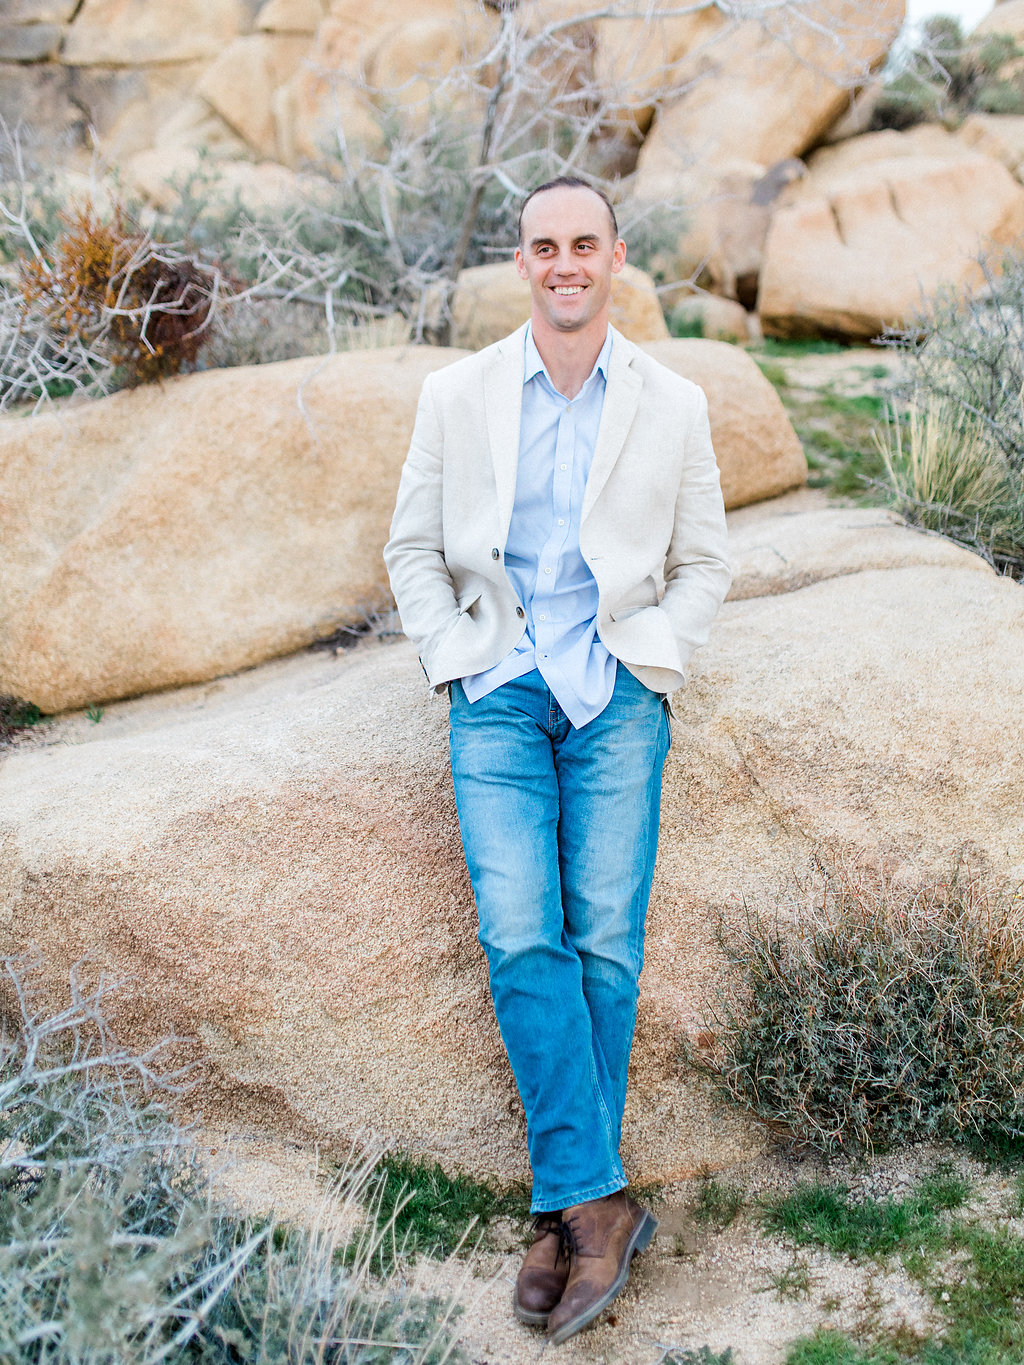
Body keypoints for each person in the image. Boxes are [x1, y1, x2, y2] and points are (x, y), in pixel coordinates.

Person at [384, 176, 731, 1344]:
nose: (565, 263)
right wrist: (450, 657)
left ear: (616, 257)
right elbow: (413, 547)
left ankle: (562, 1208)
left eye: (585, 244)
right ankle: (595, 1203)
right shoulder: (456, 393)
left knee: (603, 939)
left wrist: (655, 657)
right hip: (497, 689)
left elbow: (706, 562)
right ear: (521, 261)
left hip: (614, 689)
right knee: (518, 931)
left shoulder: (673, 402)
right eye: (545, 246)